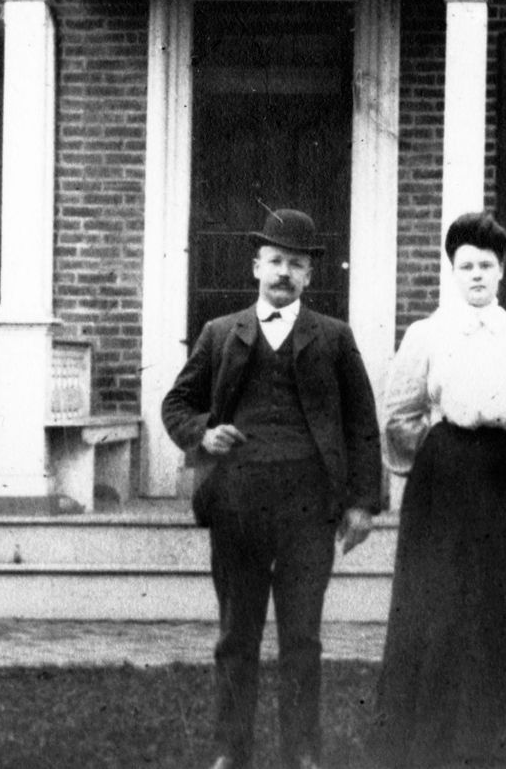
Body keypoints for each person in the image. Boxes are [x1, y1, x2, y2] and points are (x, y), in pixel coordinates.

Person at [161, 206, 382, 769]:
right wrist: (203, 433)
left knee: (302, 637)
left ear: (310, 275)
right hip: (238, 504)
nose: (285, 272)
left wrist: (362, 504)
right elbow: (176, 403)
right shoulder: (221, 333)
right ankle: (230, 751)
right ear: (256, 266)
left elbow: (362, 423)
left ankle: (301, 751)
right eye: (276, 260)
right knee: (237, 635)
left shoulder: (334, 338)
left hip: (310, 508)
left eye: (297, 264)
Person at [374, 210, 506, 768]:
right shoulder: (427, 334)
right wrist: (437, 453)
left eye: (486, 265)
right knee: (442, 600)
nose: (477, 276)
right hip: (448, 476)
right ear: (452, 271)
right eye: (466, 266)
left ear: (502, 270)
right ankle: (436, 736)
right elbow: (398, 413)